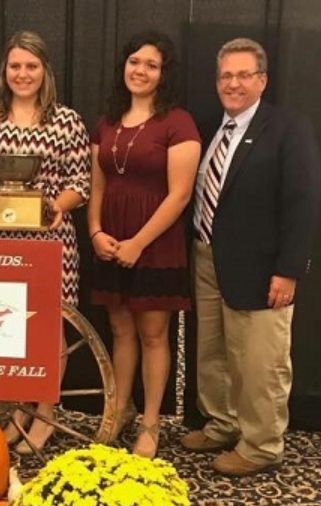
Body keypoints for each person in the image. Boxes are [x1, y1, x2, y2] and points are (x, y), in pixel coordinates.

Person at [180, 38, 321, 475]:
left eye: (243, 75)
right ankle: (222, 423)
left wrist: (289, 270)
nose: (233, 83)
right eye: (226, 75)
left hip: (263, 270)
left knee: (261, 362)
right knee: (213, 353)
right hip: (206, 258)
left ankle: (261, 445)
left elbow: (304, 201)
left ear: (262, 80)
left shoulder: (287, 128)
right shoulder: (208, 127)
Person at [0, 30, 90, 454]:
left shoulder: (66, 120)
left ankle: (47, 413)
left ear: (44, 70)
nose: (23, 74)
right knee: (10, 328)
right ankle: (19, 409)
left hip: (51, 240)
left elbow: (81, 183)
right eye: (15, 66)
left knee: (51, 330)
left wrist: (55, 206)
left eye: (31, 66)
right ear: (5, 70)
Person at [87, 31, 201, 458]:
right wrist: (96, 231)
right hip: (111, 239)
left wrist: (138, 242)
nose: (141, 70)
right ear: (124, 66)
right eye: (135, 61)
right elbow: (96, 185)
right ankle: (120, 408)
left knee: (153, 333)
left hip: (154, 241)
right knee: (119, 329)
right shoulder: (106, 122)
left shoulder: (178, 123)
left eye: (151, 65)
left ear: (163, 74)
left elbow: (180, 195)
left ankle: (151, 421)